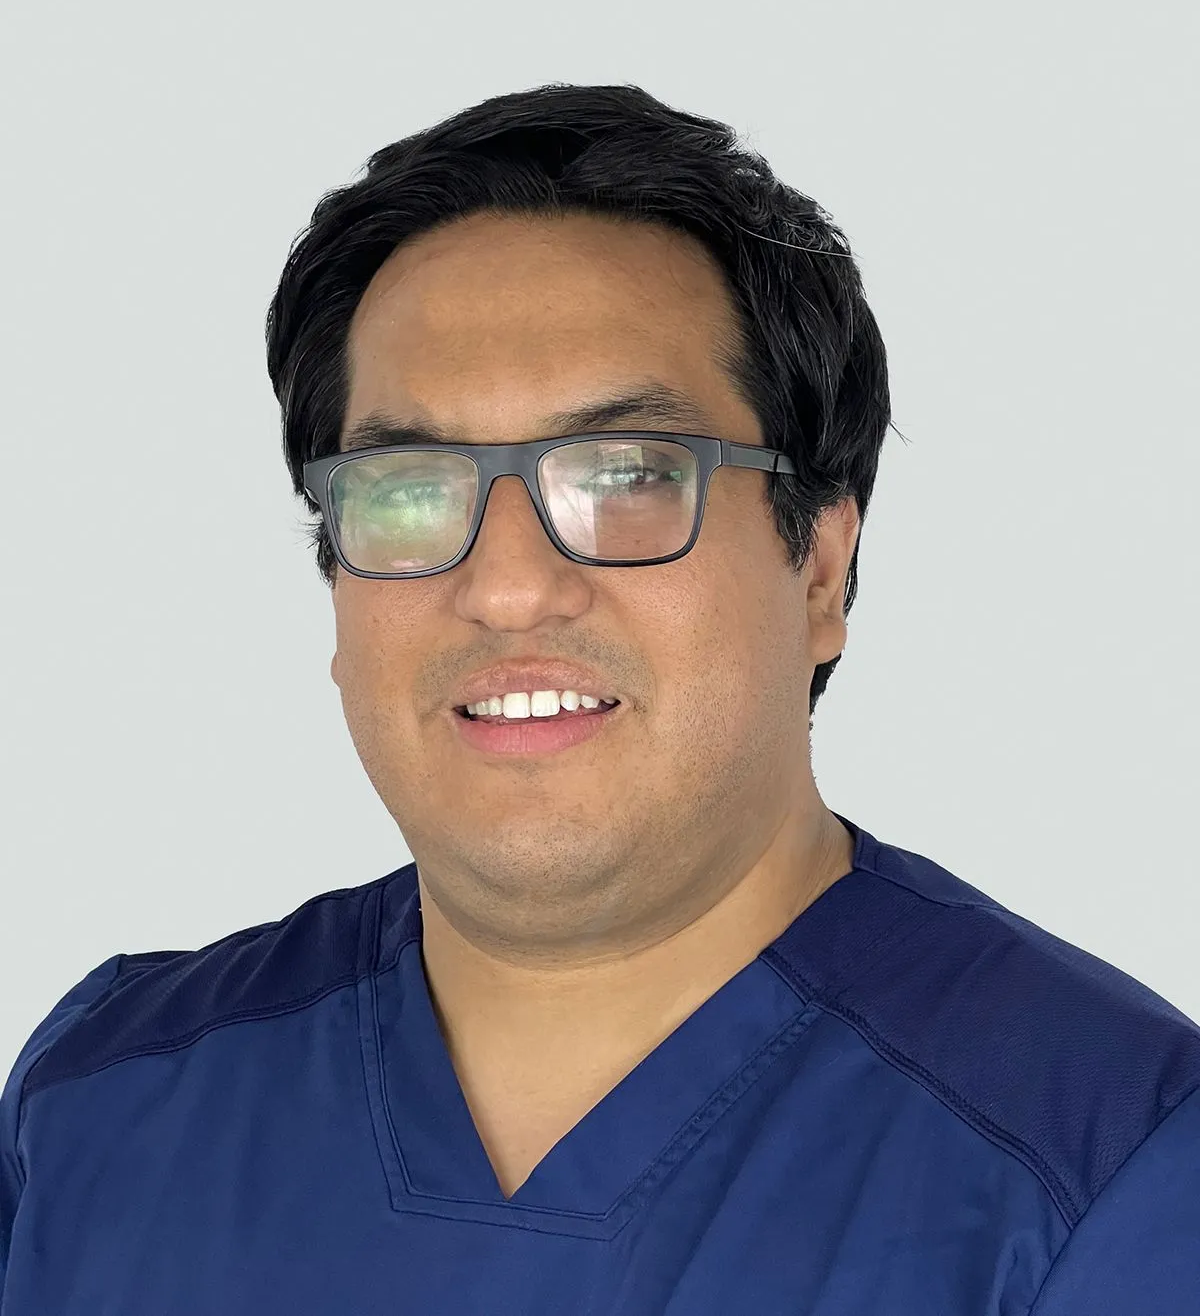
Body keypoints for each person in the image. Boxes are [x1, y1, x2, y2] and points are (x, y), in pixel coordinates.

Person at [1, 82, 1197, 1315]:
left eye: (626, 476)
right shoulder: (102, 1104)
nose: (507, 588)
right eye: (408, 486)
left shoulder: (1113, 1169)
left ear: (820, 569)